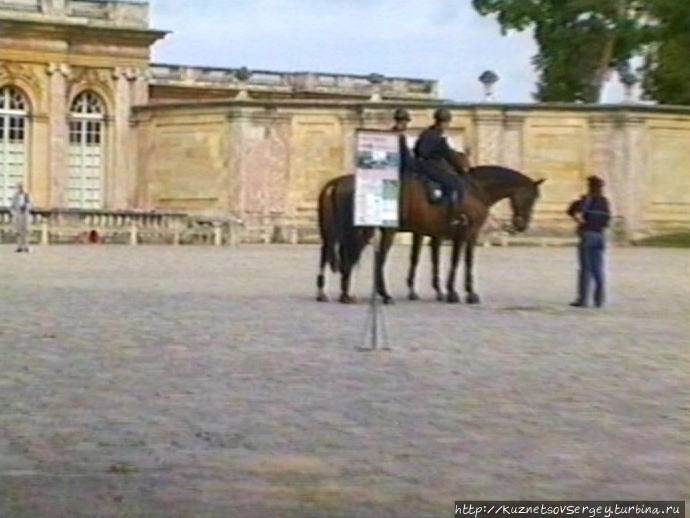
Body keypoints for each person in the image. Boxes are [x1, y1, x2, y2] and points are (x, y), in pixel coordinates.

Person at [413, 108, 468, 225]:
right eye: (447, 123)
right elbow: (450, 157)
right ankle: (455, 216)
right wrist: (462, 170)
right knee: (458, 184)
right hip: (430, 167)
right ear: (444, 122)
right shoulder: (439, 139)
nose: (447, 125)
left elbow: (417, 150)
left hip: (419, 166)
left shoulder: (426, 133)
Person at [567, 176, 611, 308]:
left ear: (590, 186)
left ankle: (583, 300)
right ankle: (599, 300)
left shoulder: (586, 200)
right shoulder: (605, 202)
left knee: (585, 269)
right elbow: (607, 221)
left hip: (588, 235)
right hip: (600, 236)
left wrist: (579, 222)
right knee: (598, 269)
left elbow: (570, 211)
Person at [10, 183, 32, 253]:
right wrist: (14, 214)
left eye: (21, 187)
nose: (20, 189)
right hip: (18, 215)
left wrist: (27, 207)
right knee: (18, 232)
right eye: (19, 187)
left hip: (25, 215)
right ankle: (19, 247)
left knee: (26, 231)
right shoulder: (15, 196)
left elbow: (30, 205)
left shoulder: (27, 195)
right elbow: (11, 207)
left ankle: (26, 247)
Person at [392, 108, 413, 173]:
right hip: (399, 166)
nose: (406, 123)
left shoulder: (406, 133)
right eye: (405, 121)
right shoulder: (393, 133)